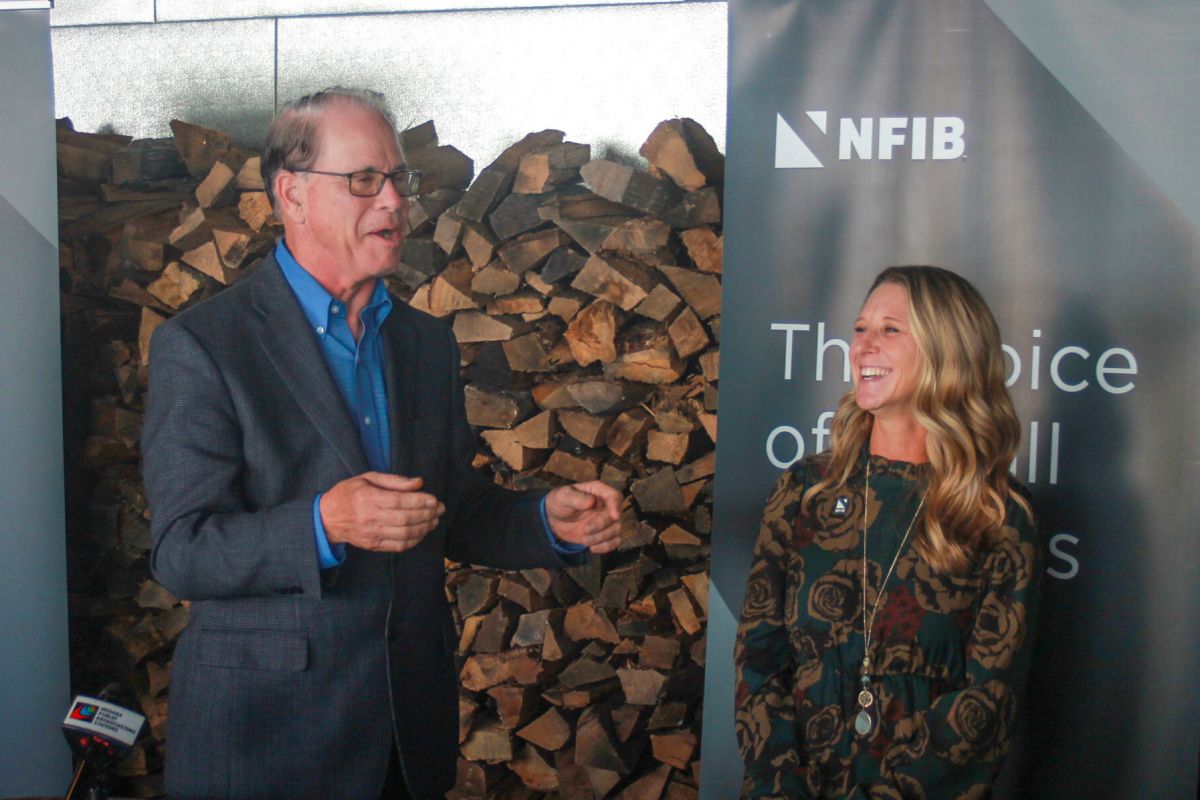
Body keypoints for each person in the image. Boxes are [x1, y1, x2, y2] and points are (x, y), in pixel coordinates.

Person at [142, 87, 623, 800]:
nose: (395, 202)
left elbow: (448, 509)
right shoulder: (206, 345)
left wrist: (546, 521)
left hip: (405, 733)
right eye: (365, 180)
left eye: (400, 179)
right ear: (292, 194)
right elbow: (182, 550)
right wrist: (323, 525)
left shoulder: (424, 344)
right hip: (266, 744)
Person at [734, 266, 1041, 799]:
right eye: (859, 328)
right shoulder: (806, 490)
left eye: (890, 330)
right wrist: (778, 785)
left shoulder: (996, 512)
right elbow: (759, 658)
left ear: (948, 350)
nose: (863, 345)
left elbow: (988, 701)